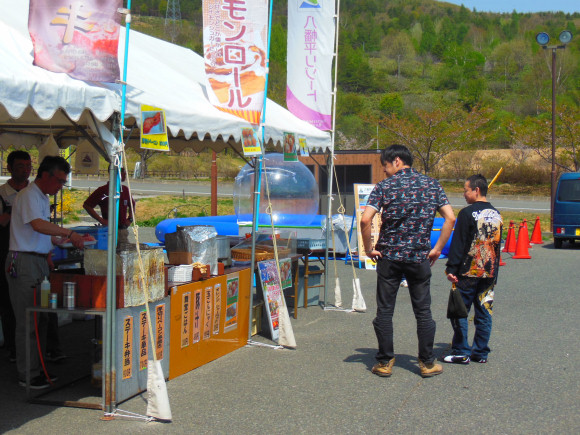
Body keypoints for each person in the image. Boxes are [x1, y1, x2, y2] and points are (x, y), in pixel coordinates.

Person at [360, 144, 455, 378]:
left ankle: (384, 362)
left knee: (385, 311)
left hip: (389, 257)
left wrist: (369, 249)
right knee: (423, 312)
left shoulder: (384, 187)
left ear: (397, 161)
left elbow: (365, 220)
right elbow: (451, 218)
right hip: (419, 257)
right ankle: (426, 362)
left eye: (385, 166)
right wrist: (437, 249)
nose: (384, 171)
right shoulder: (432, 185)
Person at [7, 156, 84, 389]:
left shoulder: (40, 196)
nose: (61, 187)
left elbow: (41, 231)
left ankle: (35, 368)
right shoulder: (29, 195)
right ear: (46, 175)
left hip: (38, 260)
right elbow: (37, 225)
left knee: (40, 318)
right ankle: (28, 374)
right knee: (28, 320)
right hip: (25, 262)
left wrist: (56, 241)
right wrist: (68, 234)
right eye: (59, 181)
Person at [443, 174, 502, 365]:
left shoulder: (467, 213)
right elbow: (497, 246)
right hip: (490, 271)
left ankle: (461, 351)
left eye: (466, 190)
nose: (464, 194)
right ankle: (480, 352)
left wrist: (451, 267)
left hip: (469, 270)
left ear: (476, 190)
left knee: (460, 311)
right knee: (484, 310)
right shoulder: (497, 214)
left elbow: (459, 244)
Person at [0, 151, 32, 363]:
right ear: (10, 168)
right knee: (8, 302)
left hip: (30, 251)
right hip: (6, 253)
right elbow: (2, 221)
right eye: (20, 166)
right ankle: (12, 347)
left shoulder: (34, 191)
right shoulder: (2, 193)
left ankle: (46, 349)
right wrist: (19, 212)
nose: (26, 169)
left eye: (28, 166)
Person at [83, 166, 134, 245]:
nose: (125, 174)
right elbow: (87, 205)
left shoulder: (125, 189)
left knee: (124, 253)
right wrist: (101, 220)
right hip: (109, 230)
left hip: (122, 230)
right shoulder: (102, 190)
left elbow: (132, 204)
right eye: (123, 172)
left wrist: (130, 219)